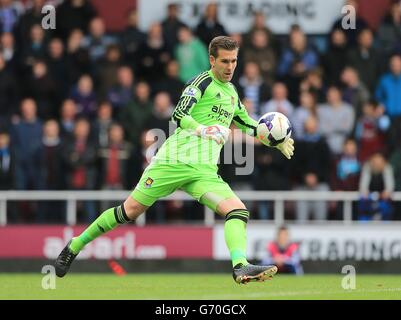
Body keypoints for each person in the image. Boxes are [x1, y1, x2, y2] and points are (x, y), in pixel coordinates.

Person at [55, 36, 294, 284]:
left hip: (203, 172)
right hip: (173, 162)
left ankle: (240, 266)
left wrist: (275, 140)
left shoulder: (232, 93)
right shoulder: (201, 83)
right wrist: (203, 129)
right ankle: (75, 245)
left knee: (238, 211)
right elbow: (179, 114)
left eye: (234, 61)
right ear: (212, 60)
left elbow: (251, 127)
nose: (230, 66)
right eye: (224, 61)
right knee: (129, 211)